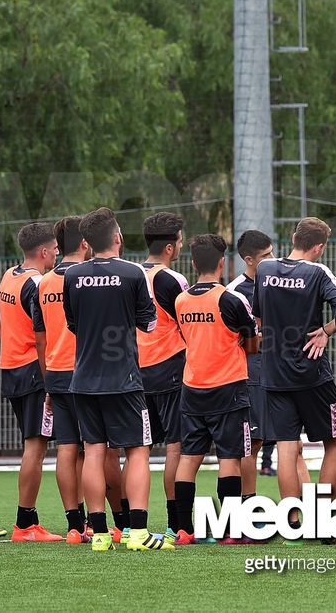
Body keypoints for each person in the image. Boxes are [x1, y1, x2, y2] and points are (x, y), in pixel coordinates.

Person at [63, 207, 171, 552]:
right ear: (117, 238)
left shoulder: (72, 276)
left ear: (87, 242)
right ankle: (138, 532)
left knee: (94, 451)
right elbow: (149, 323)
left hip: (83, 379)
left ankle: (98, 533)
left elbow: (72, 324)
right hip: (123, 379)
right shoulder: (133, 273)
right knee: (137, 451)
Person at [253, 218, 336, 542]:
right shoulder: (318, 273)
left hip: (274, 373)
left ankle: (293, 521)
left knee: (287, 449)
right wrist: (325, 331)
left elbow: (259, 315)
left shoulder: (264, 270)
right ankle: (321, 520)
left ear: (293, 237)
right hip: (313, 374)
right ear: (319, 247)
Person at [172, 234, 260, 545]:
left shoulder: (181, 300)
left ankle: (183, 529)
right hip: (228, 390)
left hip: (192, 387)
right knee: (230, 460)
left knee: (189, 458)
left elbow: (187, 336)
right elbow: (251, 344)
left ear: (193, 263)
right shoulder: (231, 299)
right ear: (223, 263)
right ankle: (232, 529)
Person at [0, 222, 61, 543]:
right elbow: (42, 335)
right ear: (43, 251)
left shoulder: (10, 274)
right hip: (34, 373)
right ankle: (25, 523)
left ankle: (28, 521)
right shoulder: (38, 283)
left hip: (11, 368)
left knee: (33, 445)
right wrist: (50, 380)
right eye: (55, 248)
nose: (58, 253)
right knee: (36, 446)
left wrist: (11, 346)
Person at [34, 216, 93, 543]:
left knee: (67, 449)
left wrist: (46, 383)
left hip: (55, 373)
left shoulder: (42, 283)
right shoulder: (87, 278)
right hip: (86, 373)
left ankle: (74, 525)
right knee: (94, 450)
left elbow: (40, 339)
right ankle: (97, 522)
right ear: (85, 243)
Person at [137, 212, 191, 537]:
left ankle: (132, 524)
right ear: (170, 247)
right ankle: (176, 523)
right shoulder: (172, 280)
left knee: (139, 449)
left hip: (135, 372)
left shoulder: (130, 273)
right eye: (181, 240)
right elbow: (190, 325)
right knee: (176, 447)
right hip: (170, 370)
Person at [227, 230, 275, 503]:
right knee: (252, 444)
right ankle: (249, 507)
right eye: (266, 255)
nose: (272, 259)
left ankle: (309, 514)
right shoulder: (235, 292)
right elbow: (237, 341)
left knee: (295, 445)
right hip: (253, 373)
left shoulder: (280, 281)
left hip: (283, 372)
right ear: (249, 260)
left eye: (273, 252)